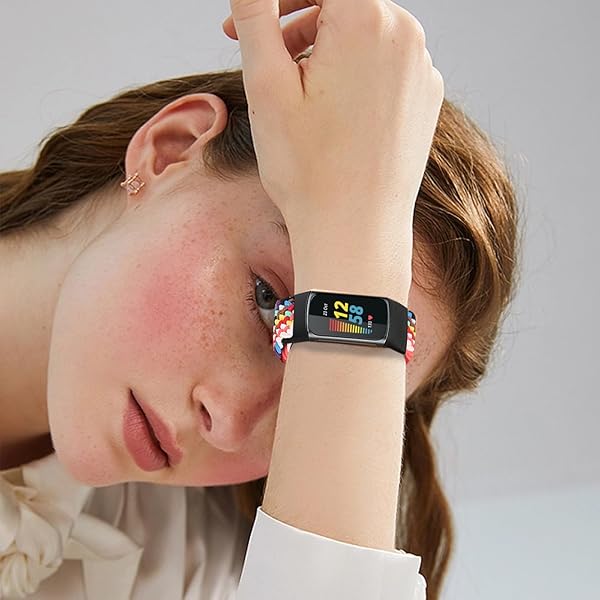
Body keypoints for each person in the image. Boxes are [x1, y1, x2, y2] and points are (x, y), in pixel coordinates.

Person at [0, 1, 521, 599]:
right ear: (170, 150)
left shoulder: (209, 571)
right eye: (267, 300)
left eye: (317, 388)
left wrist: (356, 255)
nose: (227, 423)